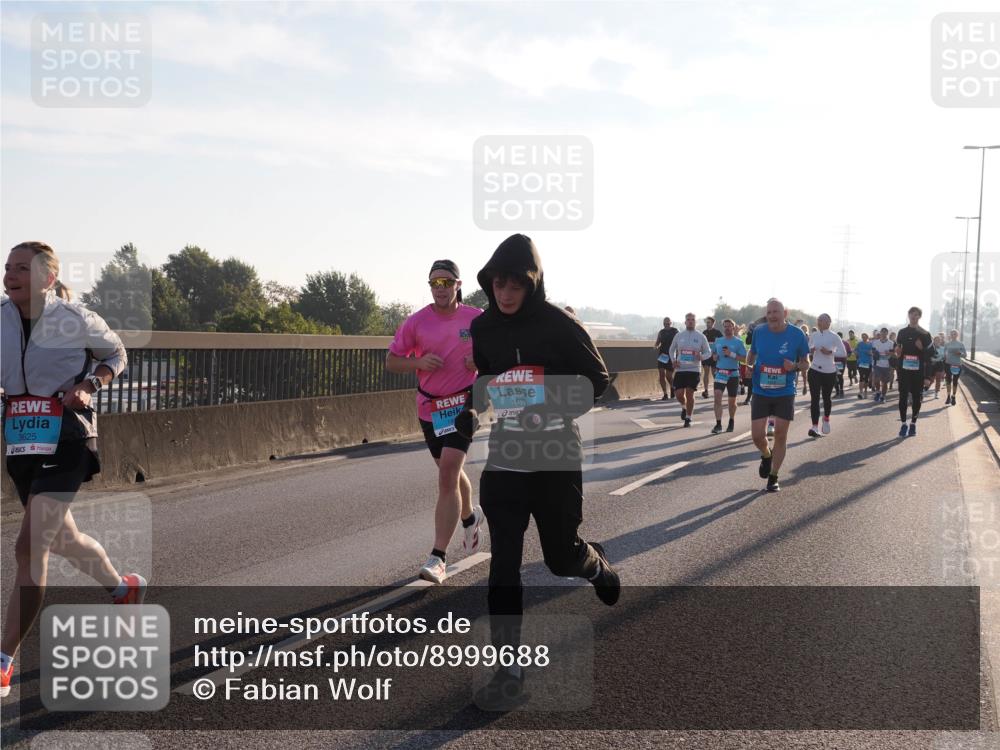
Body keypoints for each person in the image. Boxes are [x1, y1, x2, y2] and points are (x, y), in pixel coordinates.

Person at [453, 234, 619, 709]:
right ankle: (509, 673)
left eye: (515, 285)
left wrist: (543, 389)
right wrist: (470, 411)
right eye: (498, 284)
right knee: (503, 564)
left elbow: (597, 381)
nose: (505, 294)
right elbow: (485, 383)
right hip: (506, 456)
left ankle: (594, 564)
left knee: (559, 558)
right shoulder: (484, 329)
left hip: (554, 451)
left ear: (532, 284)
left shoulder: (559, 324)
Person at [1, 241, 142, 699]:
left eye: (21, 268)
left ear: (46, 277)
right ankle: (122, 588)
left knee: (29, 546)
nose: (9, 275)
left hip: (68, 439)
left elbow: (117, 355)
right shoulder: (0, 317)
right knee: (63, 539)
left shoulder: (74, 318)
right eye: (6, 268)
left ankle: (3, 661)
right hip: (22, 440)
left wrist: (88, 384)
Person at [386, 260, 484, 584]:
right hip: (431, 407)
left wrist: (480, 360)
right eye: (434, 283)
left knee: (447, 474)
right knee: (449, 471)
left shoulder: (476, 319)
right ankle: (469, 516)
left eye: (446, 282)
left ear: (458, 284)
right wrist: (417, 361)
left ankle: (438, 557)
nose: (440, 289)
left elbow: (499, 353)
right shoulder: (417, 323)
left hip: (464, 402)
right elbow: (391, 361)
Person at [746, 299, 809, 492]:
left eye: (776, 312)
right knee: (757, 436)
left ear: (785, 313)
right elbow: (752, 354)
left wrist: (796, 366)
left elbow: (806, 363)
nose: (772, 315)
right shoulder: (759, 331)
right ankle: (766, 454)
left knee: (780, 435)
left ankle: (773, 476)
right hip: (760, 389)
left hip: (785, 391)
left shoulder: (797, 334)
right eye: (769, 312)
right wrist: (749, 367)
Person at [893, 306, 933, 437]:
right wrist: (897, 353)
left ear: (919, 317)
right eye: (912, 314)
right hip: (904, 370)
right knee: (903, 397)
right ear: (908, 315)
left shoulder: (925, 334)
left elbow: (931, 355)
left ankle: (913, 424)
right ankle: (903, 424)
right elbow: (898, 350)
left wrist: (927, 376)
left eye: (916, 315)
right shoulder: (902, 332)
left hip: (918, 371)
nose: (914, 317)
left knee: (917, 398)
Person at [669, 314, 713, 427]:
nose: (690, 322)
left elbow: (708, 352)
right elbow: (671, 349)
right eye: (688, 320)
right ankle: (684, 407)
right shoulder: (679, 335)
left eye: (692, 320)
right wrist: (673, 360)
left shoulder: (701, 336)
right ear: (685, 322)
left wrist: (701, 356)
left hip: (694, 369)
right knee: (678, 394)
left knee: (689, 393)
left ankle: (688, 418)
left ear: (695, 322)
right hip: (680, 369)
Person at [806, 315, 846, 437]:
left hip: (829, 371)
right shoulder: (814, 335)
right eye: (818, 320)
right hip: (814, 370)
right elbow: (807, 349)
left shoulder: (834, 336)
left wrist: (830, 352)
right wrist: (811, 350)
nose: (818, 322)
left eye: (821, 320)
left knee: (826, 398)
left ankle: (826, 419)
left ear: (828, 323)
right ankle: (814, 427)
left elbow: (843, 353)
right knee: (814, 399)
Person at [710, 319, 747, 434]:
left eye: (729, 326)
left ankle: (731, 420)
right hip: (720, 372)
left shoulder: (738, 342)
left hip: (733, 373)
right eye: (725, 326)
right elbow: (713, 353)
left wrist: (731, 354)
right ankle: (718, 424)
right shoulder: (718, 341)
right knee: (717, 397)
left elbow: (744, 359)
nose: (727, 328)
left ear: (734, 328)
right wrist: (715, 356)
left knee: (732, 401)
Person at [653, 317, 678, 401]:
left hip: (671, 355)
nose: (666, 324)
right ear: (663, 323)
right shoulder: (661, 332)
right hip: (662, 355)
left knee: (669, 376)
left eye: (668, 323)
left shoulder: (675, 331)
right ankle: (665, 394)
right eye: (665, 323)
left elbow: (679, 342)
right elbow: (658, 342)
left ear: (671, 323)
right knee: (661, 375)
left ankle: (673, 386)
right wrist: (656, 346)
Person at [943, 329, 967, 406]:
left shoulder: (961, 344)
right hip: (948, 364)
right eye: (952, 334)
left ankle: (953, 396)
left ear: (957, 335)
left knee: (955, 381)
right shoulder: (947, 344)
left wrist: (959, 353)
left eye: (955, 334)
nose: (953, 335)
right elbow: (944, 353)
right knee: (948, 380)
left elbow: (965, 355)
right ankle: (948, 396)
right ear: (950, 335)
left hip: (957, 364)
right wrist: (944, 357)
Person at [700, 317, 723, 398]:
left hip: (714, 355)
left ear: (713, 323)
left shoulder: (717, 332)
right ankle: (706, 391)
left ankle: (717, 389)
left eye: (709, 322)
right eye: (707, 322)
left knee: (714, 373)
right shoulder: (704, 333)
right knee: (706, 372)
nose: (707, 324)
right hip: (706, 355)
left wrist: (717, 353)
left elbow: (722, 344)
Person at [871, 328, 894, 403]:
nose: (883, 334)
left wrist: (889, 353)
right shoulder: (875, 342)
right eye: (882, 332)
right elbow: (873, 351)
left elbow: (893, 354)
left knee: (884, 382)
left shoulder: (891, 343)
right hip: (877, 364)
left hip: (887, 365)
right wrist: (875, 353)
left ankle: (883, 396)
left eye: (885, 332)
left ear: (887, 333)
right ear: (880, 333)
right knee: (876, 380)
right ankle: (878, 392)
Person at [855, 333, 874, 400]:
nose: (864, 338)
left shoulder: (870, 344)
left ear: (867, 337)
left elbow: (873, 353)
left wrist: (870, 353)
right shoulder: (859, 344)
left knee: (866, 378)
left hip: (868, 363)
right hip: (861, 363)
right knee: (861, 377)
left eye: (865, 336)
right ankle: (860, 392)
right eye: (862, 337)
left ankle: (865, 392)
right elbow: (855, 351)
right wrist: (856, 354)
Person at [926, 334, 945, 399]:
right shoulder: (930, 347)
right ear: (933, 341)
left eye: (939, 340)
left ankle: (936, 393)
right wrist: (932, 360)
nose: (937, 341)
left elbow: (942, 357)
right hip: (932, 365)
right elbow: (928, 355)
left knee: (938, 380)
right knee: (931, 379)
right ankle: (925, 389)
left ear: (940, 341)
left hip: (939, 364)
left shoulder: (943, 348)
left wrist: (935, 359)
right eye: (936, 340)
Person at [833, 332, 850, 398]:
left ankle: (841, 390)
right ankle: (837, 391)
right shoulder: (833, 343)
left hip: (841, 363)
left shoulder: (845, 343)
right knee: (834, 377)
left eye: (839, 337)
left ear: (841, 337)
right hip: (833, 362)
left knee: (839, 376)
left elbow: (849, 352)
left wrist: (845, 356)